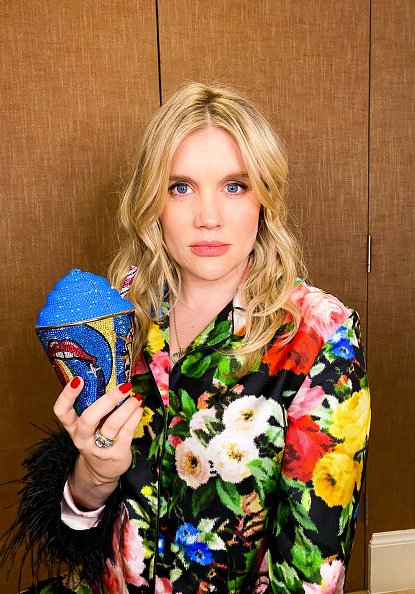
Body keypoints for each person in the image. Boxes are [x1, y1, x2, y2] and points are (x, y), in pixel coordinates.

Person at [2, 83, 370, 594]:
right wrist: (93, 474)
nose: (208, 217)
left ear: (265, 197)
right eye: (181, 187)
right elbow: (75, 537)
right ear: (153, 200)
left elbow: (312, 572)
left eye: (234, 186)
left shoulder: (319, 334)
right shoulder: (120, 311)